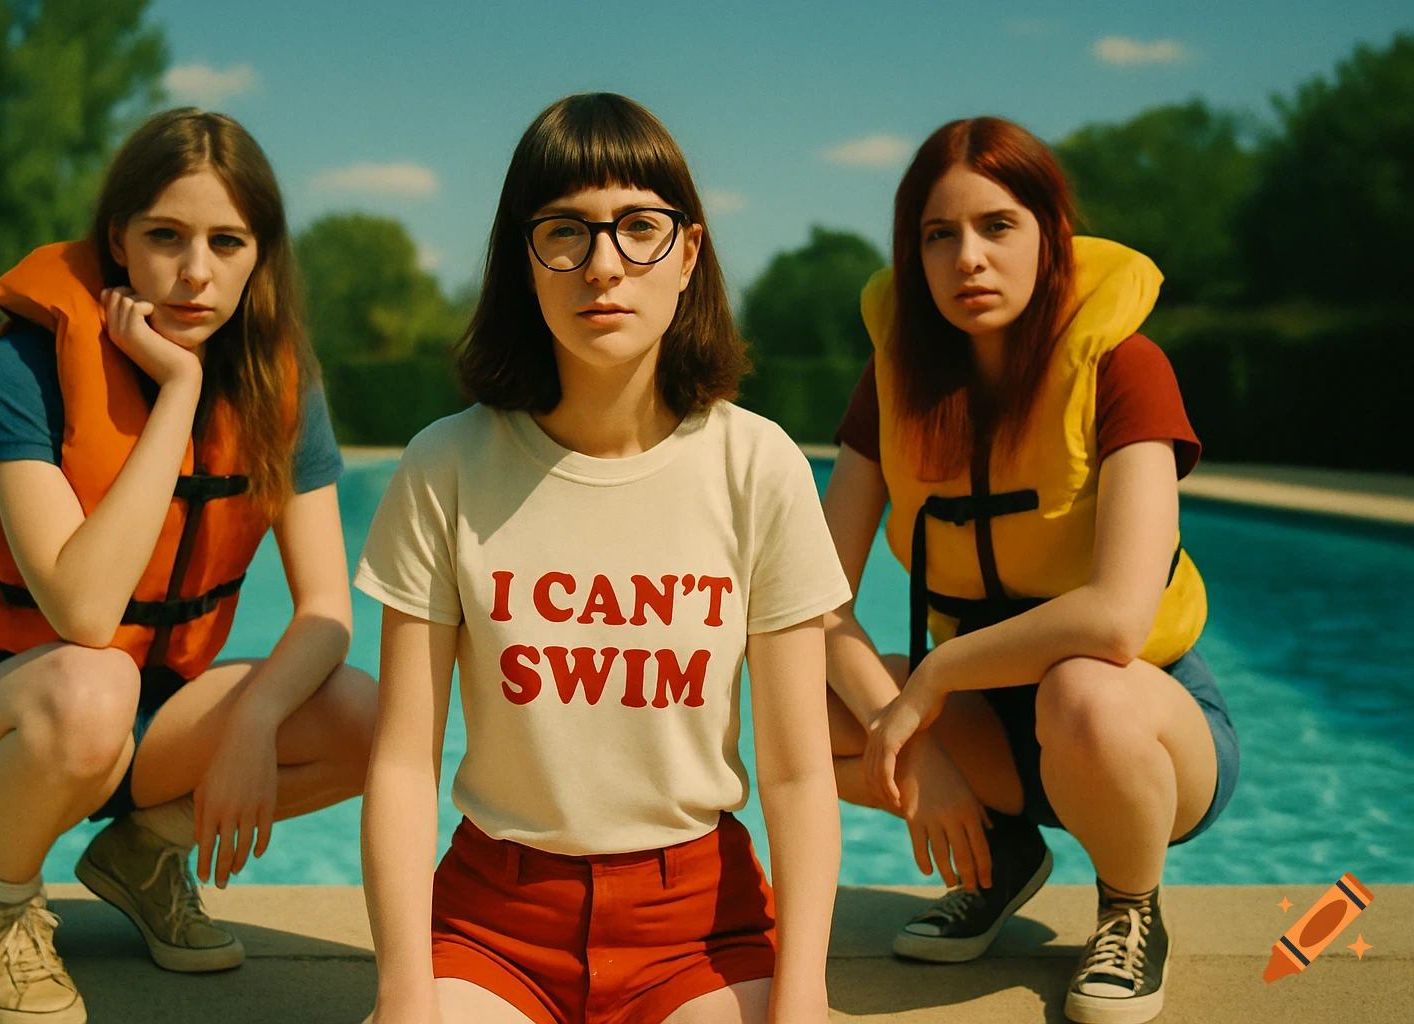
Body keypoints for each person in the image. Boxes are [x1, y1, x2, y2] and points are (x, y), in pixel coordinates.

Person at [354, 93, 851, 1024]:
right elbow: (403, 766)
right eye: (565, 232)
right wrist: (402, 992)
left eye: (639, 228)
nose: (603, 266)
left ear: (689, 254)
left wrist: (804, 995)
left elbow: (796, 774)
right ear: (524, 258)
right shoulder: (445, 465)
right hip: (492, 926)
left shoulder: (760, 465)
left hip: (699, 928)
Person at [0, 108, 378, 1024]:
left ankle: (144, 852)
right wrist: (179, 391)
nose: (196, 271)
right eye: (166, 236)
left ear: (259, 255)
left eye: (227, 242)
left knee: (367, 716)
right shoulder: (20, 369)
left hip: (155, 724)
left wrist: (255, 721)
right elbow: (82, 613)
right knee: (94, 684)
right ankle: (1, 910)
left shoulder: (283, 384)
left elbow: (326, 611)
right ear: (117, 239)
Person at [820, 117, 1239, 1024]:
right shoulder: (893, 382)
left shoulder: (1126, 366)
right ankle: (998, 857)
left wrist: (932, 680)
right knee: (800, 711)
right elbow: (816, 604)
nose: (968, 258)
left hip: (1137, 725)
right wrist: (919, 754)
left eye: (997, 226)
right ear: (914, 257)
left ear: (1052, 235)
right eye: (939, 235)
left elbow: (1118, 621)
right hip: (991, 729)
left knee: (1081, 689)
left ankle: (1130, 908)